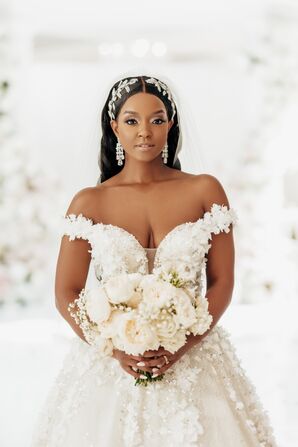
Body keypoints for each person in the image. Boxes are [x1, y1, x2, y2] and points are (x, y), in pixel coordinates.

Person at [32, 75, 277, 446]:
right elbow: (66, 292)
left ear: (170, 125)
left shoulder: (204, 190)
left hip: (195, 359)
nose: (144, 131)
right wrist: (113, 349)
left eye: (157, 119)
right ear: (114, 127)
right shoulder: (89, 202)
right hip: (111, 368)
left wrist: (183, 345)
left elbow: (222, 283)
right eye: (132, 120)